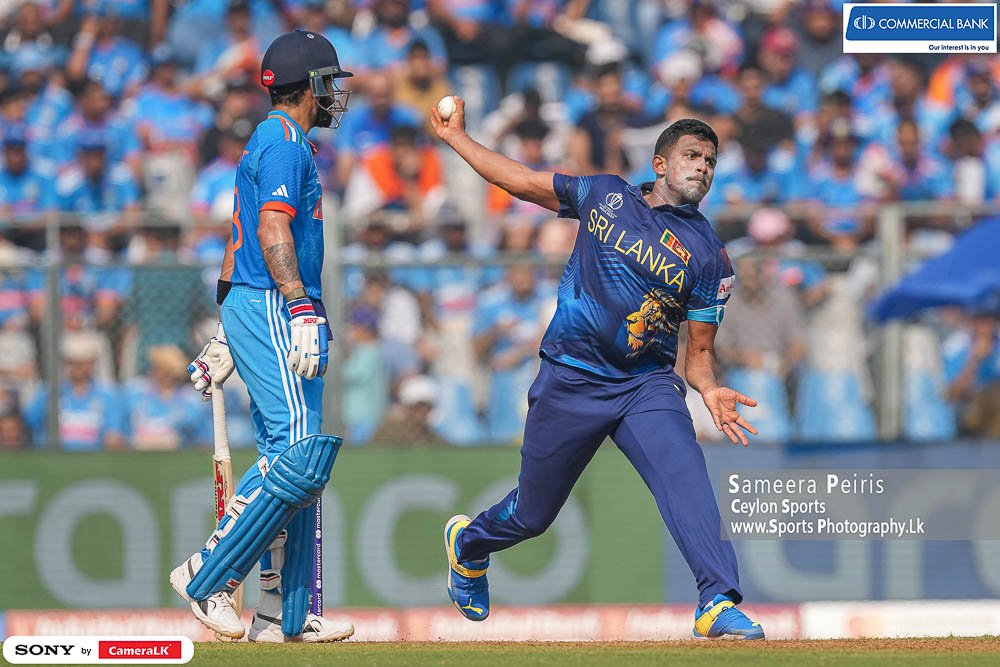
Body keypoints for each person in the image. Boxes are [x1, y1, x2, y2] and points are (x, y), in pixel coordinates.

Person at [430, 101, 765, 639]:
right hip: (571, 376)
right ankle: (469, 545)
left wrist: (708, 389)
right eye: (692, 155)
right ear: (660, 164)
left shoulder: (710, 255)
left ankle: (716, 600)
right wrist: (457, 139)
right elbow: (520, 181)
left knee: (686, 475)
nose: (702, 167)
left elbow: (699, 351)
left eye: (710, 160)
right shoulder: (605, 193)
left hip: (644, 386)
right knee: (532, 516)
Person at [168, 30, 355, 644]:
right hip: (277, 302)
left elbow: (238, 237)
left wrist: (228, 326)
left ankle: (282, 614)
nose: (335, 95)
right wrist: (296, 306)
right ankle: (207, 575)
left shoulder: (278, 140)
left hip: (260, 302)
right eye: (330, 83)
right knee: (298, 454)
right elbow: (272, 227)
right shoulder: (283, 143)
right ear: (310, 85)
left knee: (298, 460)